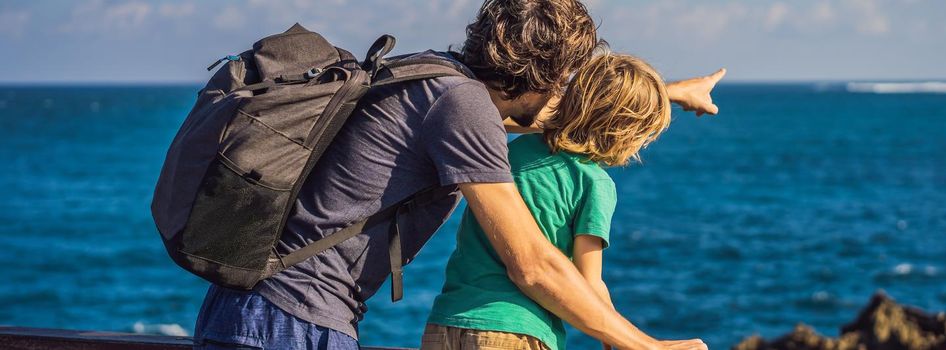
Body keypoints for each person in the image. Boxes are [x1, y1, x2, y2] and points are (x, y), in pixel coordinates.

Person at [192, 1, 723, 349]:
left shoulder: (435, 76)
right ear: (543, 77)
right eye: (562, 79)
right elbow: (533, 265)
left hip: (243, 310)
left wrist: (670, 92)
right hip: (294, 321)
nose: (565, 92)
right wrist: (644, 346)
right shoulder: (463, 107)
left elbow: (575, 119)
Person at [423, 52, 673, 350]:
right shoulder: (594, 183)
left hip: (447, 321)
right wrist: (617, 337)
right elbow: (589, 283)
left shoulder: (515, 151)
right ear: (625, 131)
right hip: (519, 332)